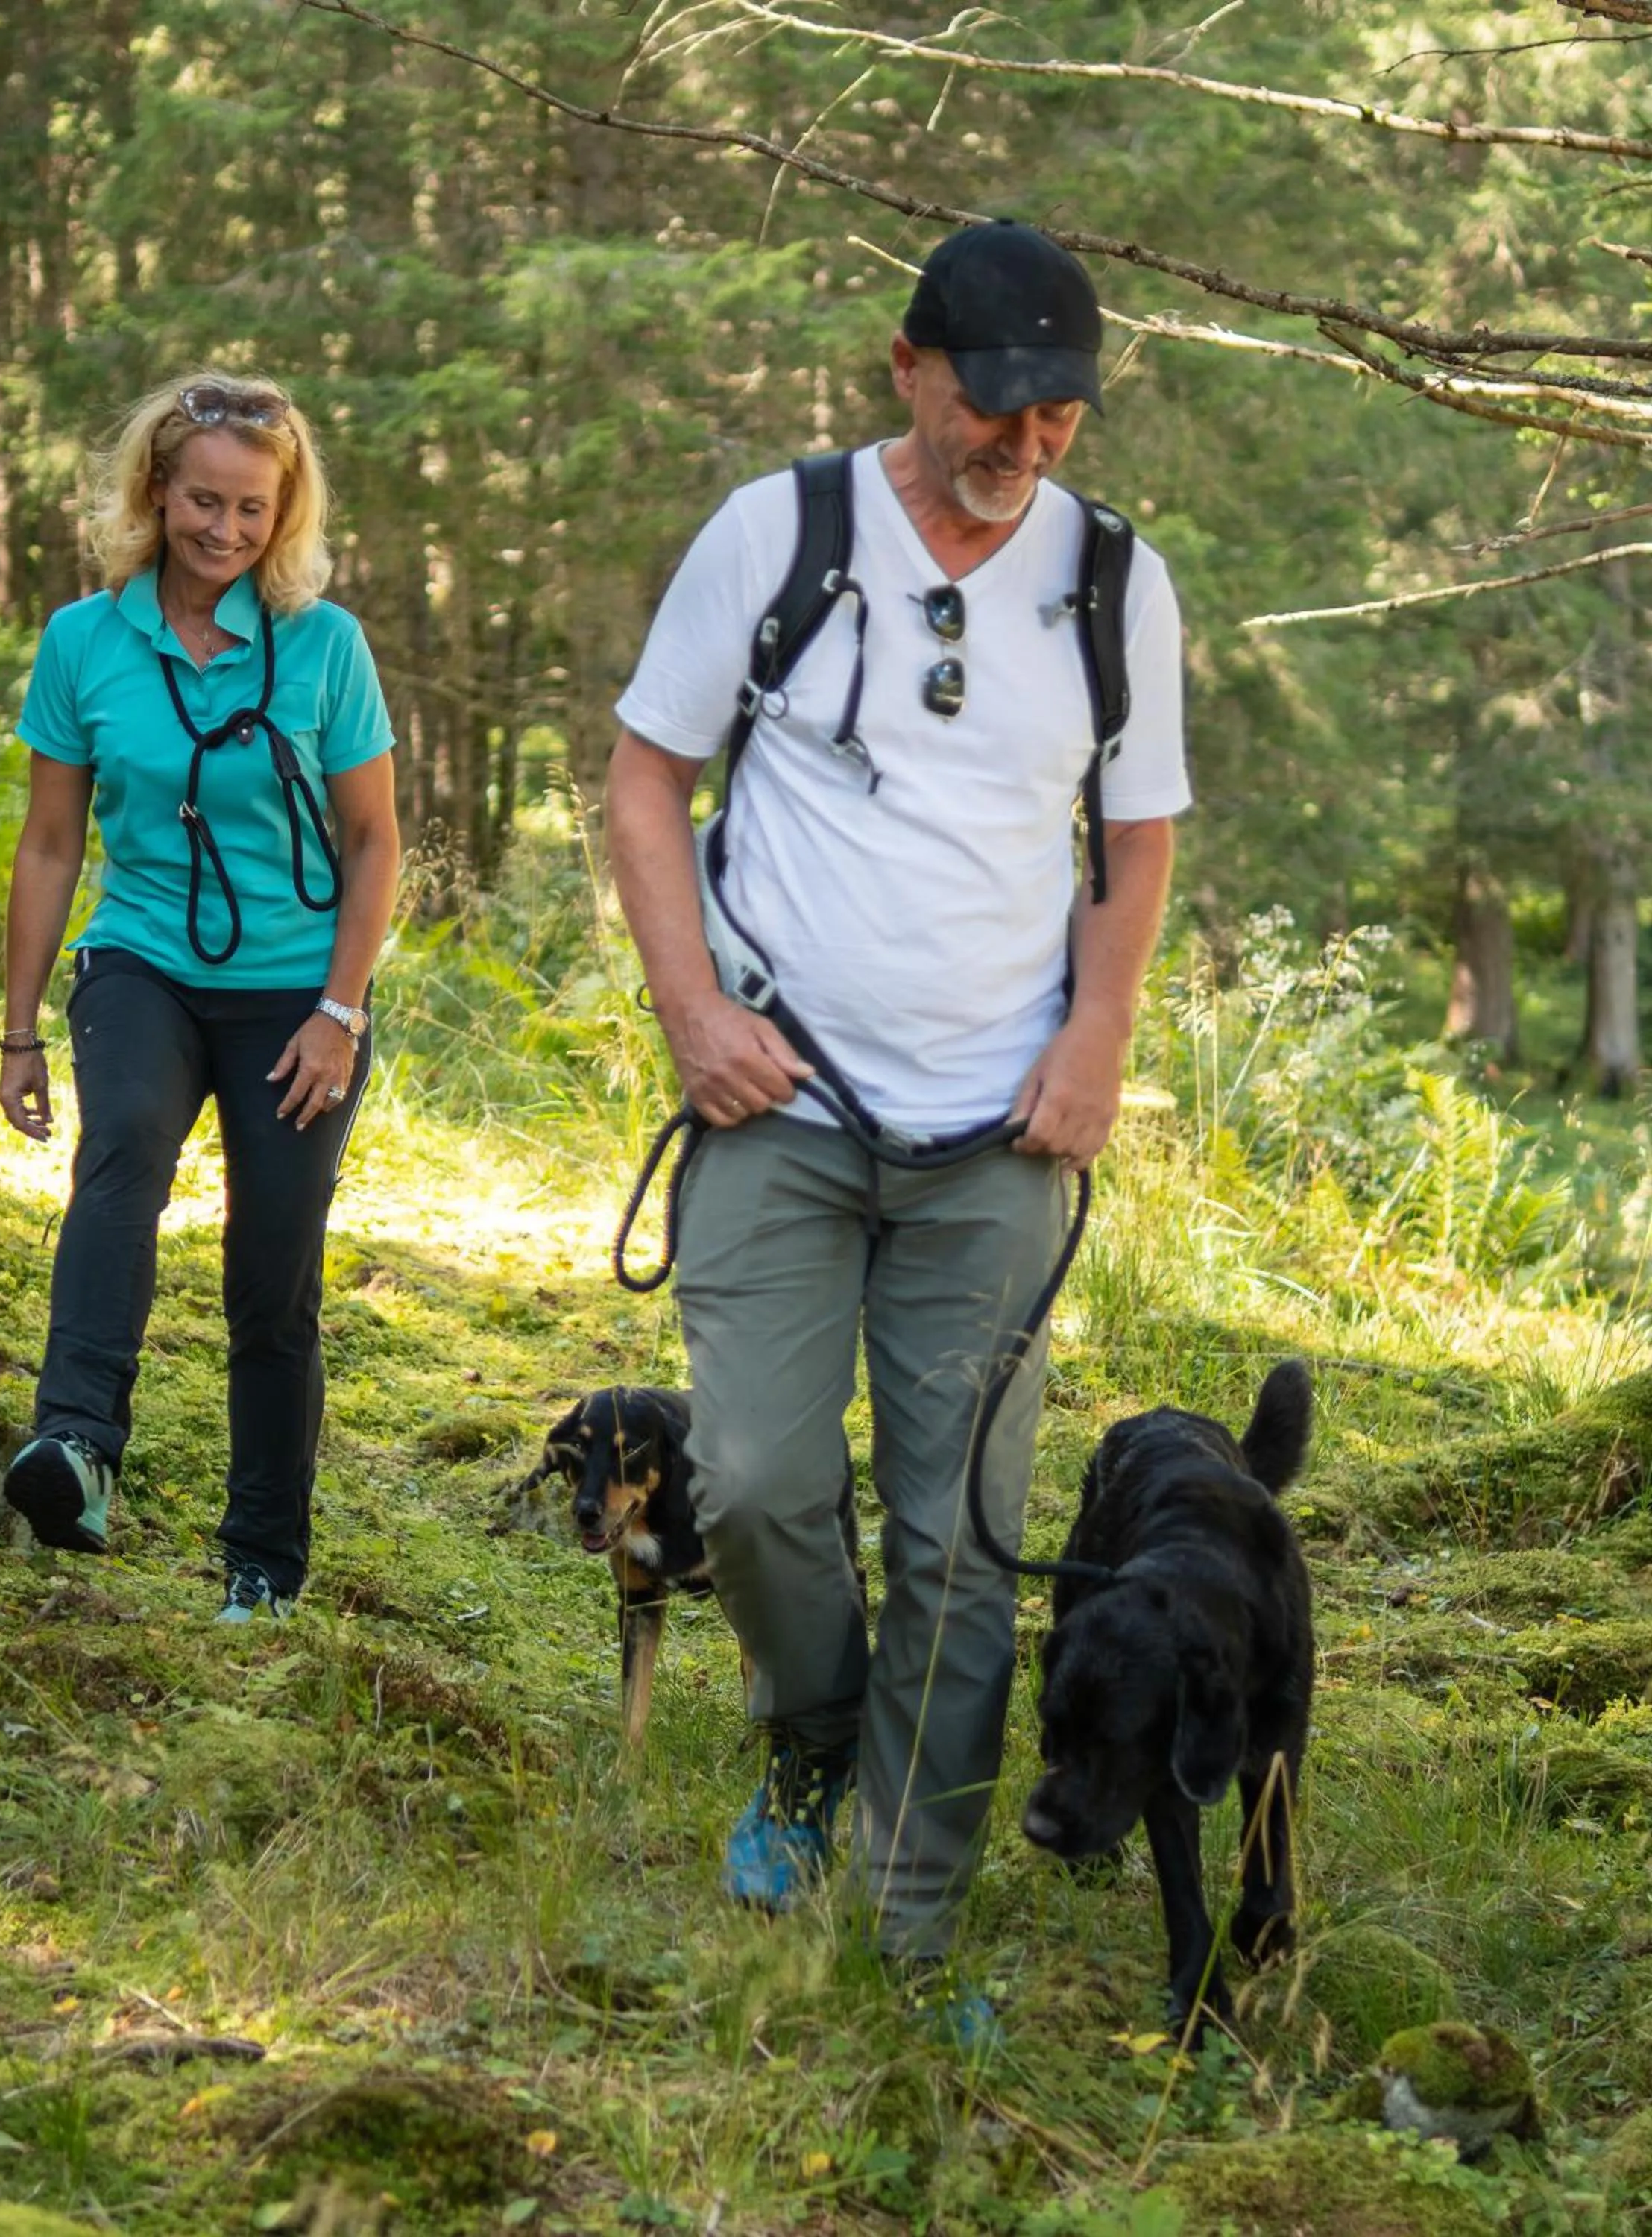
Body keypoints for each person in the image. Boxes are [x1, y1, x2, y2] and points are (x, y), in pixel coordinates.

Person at [605, 221, 1191, 2004]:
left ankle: (906, 1925)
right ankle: (810, 1733)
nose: (1023, 449)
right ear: (906, 370)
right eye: (993, 409)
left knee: (964, 1543)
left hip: (998, 1144)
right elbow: (645, 783)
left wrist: (1098, 1041)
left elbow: (1138, 834)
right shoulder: (779, 535)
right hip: (776, 1104)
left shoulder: (1114, 586)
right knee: (763, 1481)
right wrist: (692, 1011)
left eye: (1060, 419)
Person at [0, 371, 400, 1623]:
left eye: (252, 510)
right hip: (143, 965)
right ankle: (77, 1448)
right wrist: (18, 1032)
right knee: (121, 1153)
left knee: (272, 1276)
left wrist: (340, 1012)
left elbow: (376, 843)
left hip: (296, 991)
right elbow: (52, 842)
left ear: (284, 513)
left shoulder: (326, 646)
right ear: (156, 492)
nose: (224, 530)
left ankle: (264, 1560)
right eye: (201, 502)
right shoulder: (85, 641)